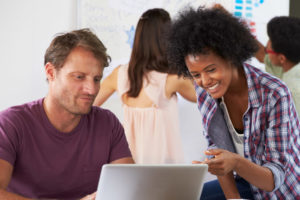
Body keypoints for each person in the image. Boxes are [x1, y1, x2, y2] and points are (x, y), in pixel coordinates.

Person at [167, 6, 300, 200]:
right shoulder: (205, 92)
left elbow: (275, 178)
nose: (204, 81)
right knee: (185, 195)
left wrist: (235, 162)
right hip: (247, 182)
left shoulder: (274, 94)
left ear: (231, 56)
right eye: (196, 74)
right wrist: (233, 198)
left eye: (211, 69)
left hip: (284, 191)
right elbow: (217, 149)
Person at [0, 28, 134, 200]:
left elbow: (130, 190)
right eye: (79, 77)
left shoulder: (107, 123)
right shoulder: (11, 124)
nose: (92, 89)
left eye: (96, 79)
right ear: (50, 72)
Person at [93, 8, 197, 164]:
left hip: (128, 165)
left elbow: (86, 104)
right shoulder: (172, 78)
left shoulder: (119, 74)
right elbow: (208, 96)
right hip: (165, 169)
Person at [255, 16, 300, 116]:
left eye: (268, 50)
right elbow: (261, 55)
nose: (266, 48)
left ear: (281, 59)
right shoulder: (290, 65)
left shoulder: (292, 92)